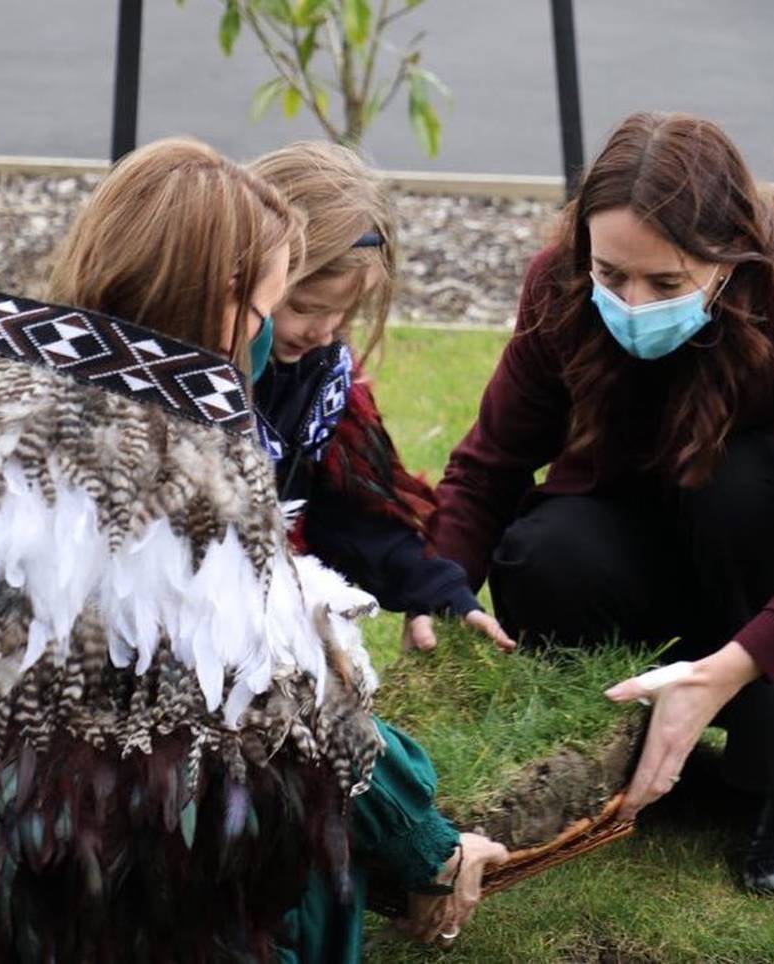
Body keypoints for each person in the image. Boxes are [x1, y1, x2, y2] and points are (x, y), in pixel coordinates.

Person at [0, 136, 406, 961]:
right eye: (266, 310)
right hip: (57, 867)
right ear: (224, 302)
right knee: (335, 798)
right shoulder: (194, 455)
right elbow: (280, 721)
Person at [428, 112, 774, 896]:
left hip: (760, 560)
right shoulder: (558, 286)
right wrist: (438, 589)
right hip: (650, 553)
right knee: (546, 550)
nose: (633, 302)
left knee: (743, 484)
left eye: (665, 283)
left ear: (730, 263)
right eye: (612, 276)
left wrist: (731, 667)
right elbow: (489, 463)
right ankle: (632, 745)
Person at [246, 141, 510, 955]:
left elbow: (349, 509)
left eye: (339, 314)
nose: (318, 330)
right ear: (246, 274)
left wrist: (434, 586)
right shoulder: (196, 388)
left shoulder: (321, 374)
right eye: (298, 304)